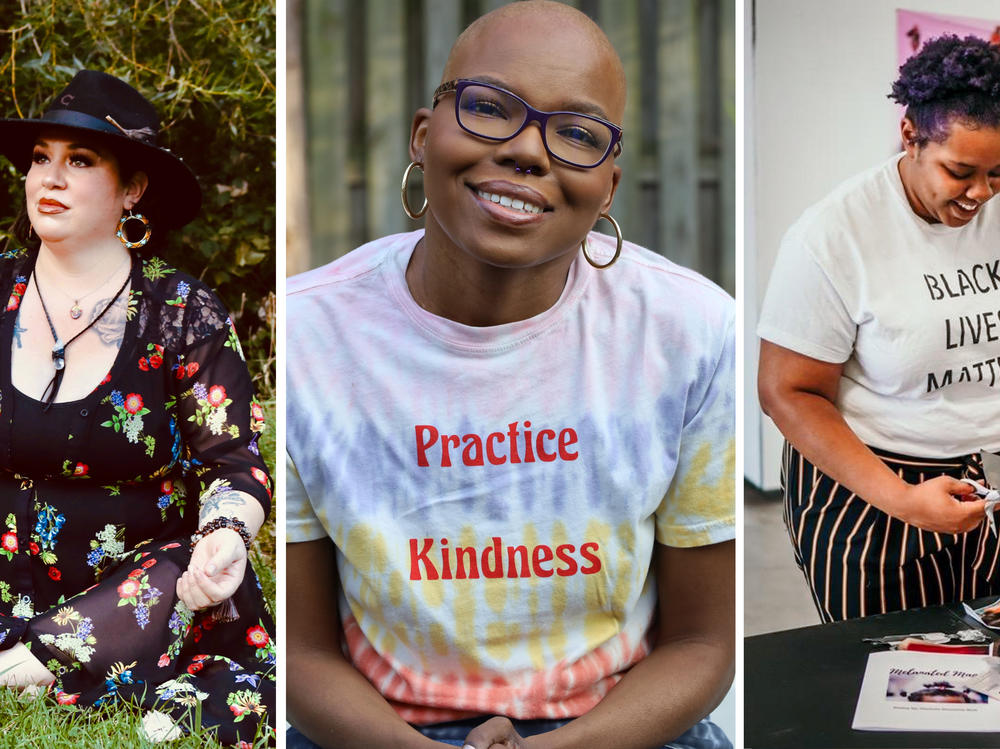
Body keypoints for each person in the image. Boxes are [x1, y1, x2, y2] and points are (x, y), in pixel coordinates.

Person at [286, 3, 734, 748]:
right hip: (375, 726)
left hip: (614, 725)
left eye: (578, 134)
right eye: (489, 108)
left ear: (609, 187)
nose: (530, 151)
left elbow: (703, 644)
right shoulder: (312, 335)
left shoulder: (688, 333)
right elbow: (302, 654)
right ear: (424, 136)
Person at [0, 70, 275, 744]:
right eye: (41, 158)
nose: (50, 178)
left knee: (190, 570)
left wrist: (227, 535)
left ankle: (50, 652)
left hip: (137, 589)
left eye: (81, 160)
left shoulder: (181, 312)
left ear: (132, 189)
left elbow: (234, 468)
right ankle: (36, 652)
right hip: (6, 574)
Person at [757, 35, 1000, 623]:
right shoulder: (832, 238)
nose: (981, 193)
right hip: (861, 484)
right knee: (889, 671)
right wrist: (903, 501)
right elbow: (786, 391)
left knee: (975, 663)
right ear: (911, 135)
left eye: (998, 174)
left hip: (966, 471)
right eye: (960, 171)